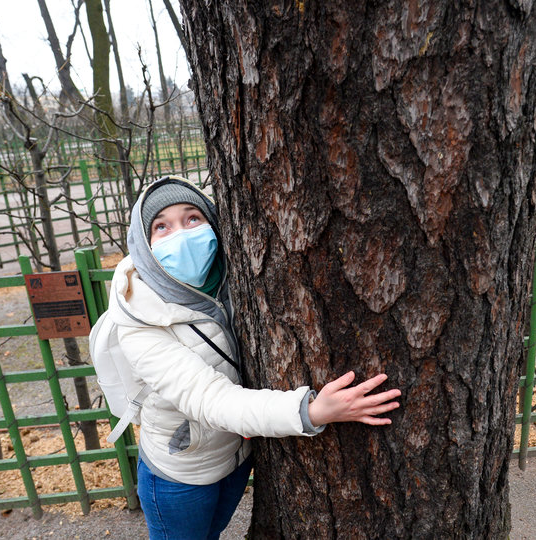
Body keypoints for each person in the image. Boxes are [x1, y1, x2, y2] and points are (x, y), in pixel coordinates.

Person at [109, 176, 401, 539]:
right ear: (144, 244)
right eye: (162, 226)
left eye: (192, 218)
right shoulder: (140, 319)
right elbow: (208, 399)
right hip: (180, 474)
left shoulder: (234, 277)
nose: (182, 234)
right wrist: (311, 412)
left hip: (237, 458)